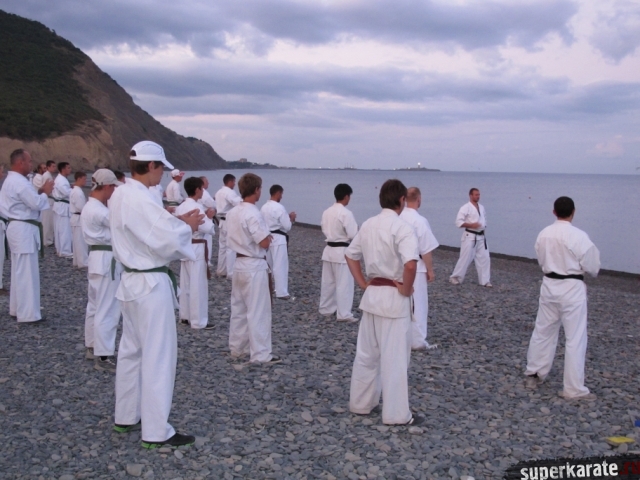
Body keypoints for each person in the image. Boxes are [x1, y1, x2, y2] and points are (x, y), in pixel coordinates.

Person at [110, 140, 203, 449]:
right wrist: (188, 227)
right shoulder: (139, 198)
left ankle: (126, 415)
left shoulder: (121, 193)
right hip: (150, 284)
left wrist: (178, 223)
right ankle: (155, 430)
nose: (162, 173)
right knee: (158, 356)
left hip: (130, 282)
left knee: (131, 351)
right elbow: (164, 238)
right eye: (161, 167)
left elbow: (150, 229)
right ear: (150, 165)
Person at [345, 179, 422, 426]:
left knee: (367, 354)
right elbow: (411, 265)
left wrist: (362, 283)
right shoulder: (402, 228)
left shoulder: (368, 224)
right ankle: (396, 415)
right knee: (395, 359)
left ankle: (361, 403)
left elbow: (350, 255)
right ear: (402, 200)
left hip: (372, 295)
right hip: (393, 298)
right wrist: (406, 289)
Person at [524, 196, 600, 400]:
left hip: (550, 285)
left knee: (543, 330)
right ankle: (573, 389)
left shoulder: (544, 234)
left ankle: (534, 373)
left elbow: (541, 259)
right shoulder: (579, 236)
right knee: (575, 338)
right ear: (573, 212)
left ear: (554, 212)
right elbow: (593, 266)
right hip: (571, 288)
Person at [226, 173, 279, 364]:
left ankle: (237, 348)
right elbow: (263, 242)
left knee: (239, 309)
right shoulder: (253, 213)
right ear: (256, 190)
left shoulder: (233, 212)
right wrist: (268, 238)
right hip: (254, 265)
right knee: (258, 311)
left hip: (238, 263)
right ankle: (261, 354)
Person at [0, 149, 54, 323]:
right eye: (29, 161)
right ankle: (28, 314)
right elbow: (36, 203)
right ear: (20, 162)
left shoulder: (11, 180)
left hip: (17, 227)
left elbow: (27, 201)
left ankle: (17, 308)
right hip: (23, 229)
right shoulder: (20, 182)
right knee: (27, 273)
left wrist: (39, 192)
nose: (32, 164)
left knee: (19, 270)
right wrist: (45, 192)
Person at [81, 169, 123, 371]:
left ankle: (92, 345)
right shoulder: (99, 211)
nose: (114, 191)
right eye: (113, 187)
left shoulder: (90, 206)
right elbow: (121, 224)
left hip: (96, 258)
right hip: (106, 259)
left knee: (95, 305)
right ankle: (104, 355)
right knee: (108, 308)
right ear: (106, 186)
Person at [399, 187, 439, 350]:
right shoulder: (420, 220)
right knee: (418, 304)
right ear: (419, 199)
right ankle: (417, 340)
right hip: (416, 266)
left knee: (401, 301)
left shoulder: (398, 217)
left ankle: (401, 337)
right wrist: (430, 270)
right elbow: (426, 249)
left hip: (398, 265)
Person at [175, 177, 216, 330]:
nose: (203, 191)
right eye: (202, 189)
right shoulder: (197, 208)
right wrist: (210, 218)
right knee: (198, 285)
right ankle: (198, 320)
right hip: (197, 247)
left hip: (184, 246)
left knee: (185, 283)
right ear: (198, 190)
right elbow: (208, 229)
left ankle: (185, 316)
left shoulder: (180, 207)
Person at [319, 184, 358, 322]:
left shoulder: (326, 212)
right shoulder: (346, 213)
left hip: (329, 249)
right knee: (344, 284)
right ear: (346, 196)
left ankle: (326, 309)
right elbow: (353, 234)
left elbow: (323, 229)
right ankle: (344, 314)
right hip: (342, 251)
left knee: (328, 283)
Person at [260, 185, 296, 299]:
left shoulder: (263, 207)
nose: (281, 196)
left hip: (267, 237)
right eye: (281, 194)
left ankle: (266, 287)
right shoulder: (279, 207)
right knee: (280, 265)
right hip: (279, 238)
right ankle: (281, 292)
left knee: (268, 264)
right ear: (278, 193)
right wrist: (291, 219)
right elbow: (287, 226)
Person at [449, 188, 491, 287]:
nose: (478, 196)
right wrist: (471, 225)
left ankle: (485, 281)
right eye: (476, 195)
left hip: (481, 237)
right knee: (465, 258)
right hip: (470, 236)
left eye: (479, 194)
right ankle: (455, 277)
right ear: (470, 195)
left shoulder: (481, 207)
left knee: (485, 259)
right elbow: (458, 222)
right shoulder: (465, 207)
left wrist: (483, 226)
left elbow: (484, 220)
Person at [214, 174, 242, 278]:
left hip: (221, 221)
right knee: (231, 247)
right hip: (229, 220)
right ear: (230, 182)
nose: (234, 184)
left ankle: (221, 270)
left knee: (222, 247)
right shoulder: (229, 192)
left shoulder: (218, 192)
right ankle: (230, 272)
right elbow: (238, 203)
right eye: (234, 182)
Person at [52, 162, 73, 257]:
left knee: (60, 229)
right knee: (64, 230)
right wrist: (75, 190)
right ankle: (65, 250)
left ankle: (60, 249)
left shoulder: (61, 179)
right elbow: (66, 192)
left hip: (60, 206)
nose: (70, 170)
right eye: (68, 168)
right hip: (62, 207)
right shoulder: (61, 180)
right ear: (63, 169)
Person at [70, 171, 89, 268]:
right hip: (78, 217)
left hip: (76, 217)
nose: (85, 181)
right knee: (80, 241)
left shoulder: (76, 190)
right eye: (84, 179)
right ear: (78, 179)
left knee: (77, 241)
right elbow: (80, 206)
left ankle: (77, 260)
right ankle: (83, 262)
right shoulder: (77, 192)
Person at [197, 176, 217, 267]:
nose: (208, 183)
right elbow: (212, 204)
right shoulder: (204, 193)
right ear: (202, 183)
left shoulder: (201, 193)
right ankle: (207, 259)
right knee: (207, 240)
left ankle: (204, 258)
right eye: (206, 181)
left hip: (200, 218)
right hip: (206, 218)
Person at [41, 160, 57, 246]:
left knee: (50, 221)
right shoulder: (46, 176)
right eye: (53, 166)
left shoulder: (49, 175)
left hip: (50, 199)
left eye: (55, 166)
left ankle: (48, 239)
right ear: (48, 167)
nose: (54, 168)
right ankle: (46, 240)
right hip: (48, 199)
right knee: (47, 221)